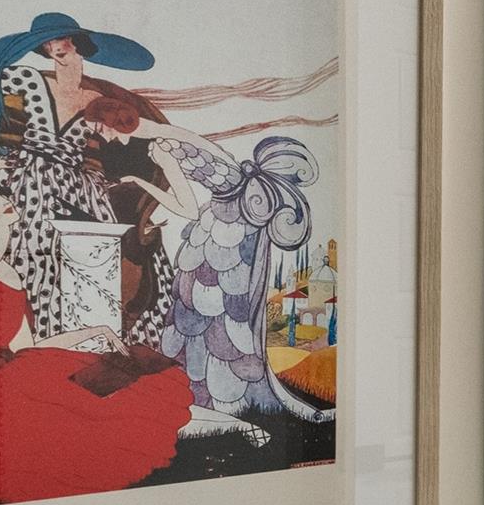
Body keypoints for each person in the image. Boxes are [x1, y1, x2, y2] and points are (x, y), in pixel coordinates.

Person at [0, 179, 195, 505]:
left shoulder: (10, 273)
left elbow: (27, 348)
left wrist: (93, 331)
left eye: (2, 193)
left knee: (120, 390)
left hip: (7, 378)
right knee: (58, 435)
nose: (3, 198)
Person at [0, 13, 174, 347]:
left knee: (96, 260)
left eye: (60, 40)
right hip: (25, 176)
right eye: (46, 44)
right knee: (25, 250)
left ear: (78, 44)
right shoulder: (25, 80)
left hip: (79, 188)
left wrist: (99, 179)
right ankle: (18, 346)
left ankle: (77, 346)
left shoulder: (97, 102)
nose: (54, 48)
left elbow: (105, 150)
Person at [86, 103, 332, 422]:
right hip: (231, 220)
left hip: (224, 230)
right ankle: (209, 392)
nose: (101, 137)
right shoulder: (163, 134)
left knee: (207, 305)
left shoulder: (161, 148)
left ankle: (214, 396)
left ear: (111, 123)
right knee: (211, 307)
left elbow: (187, 208)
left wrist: (140, 183)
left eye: (99, 129)